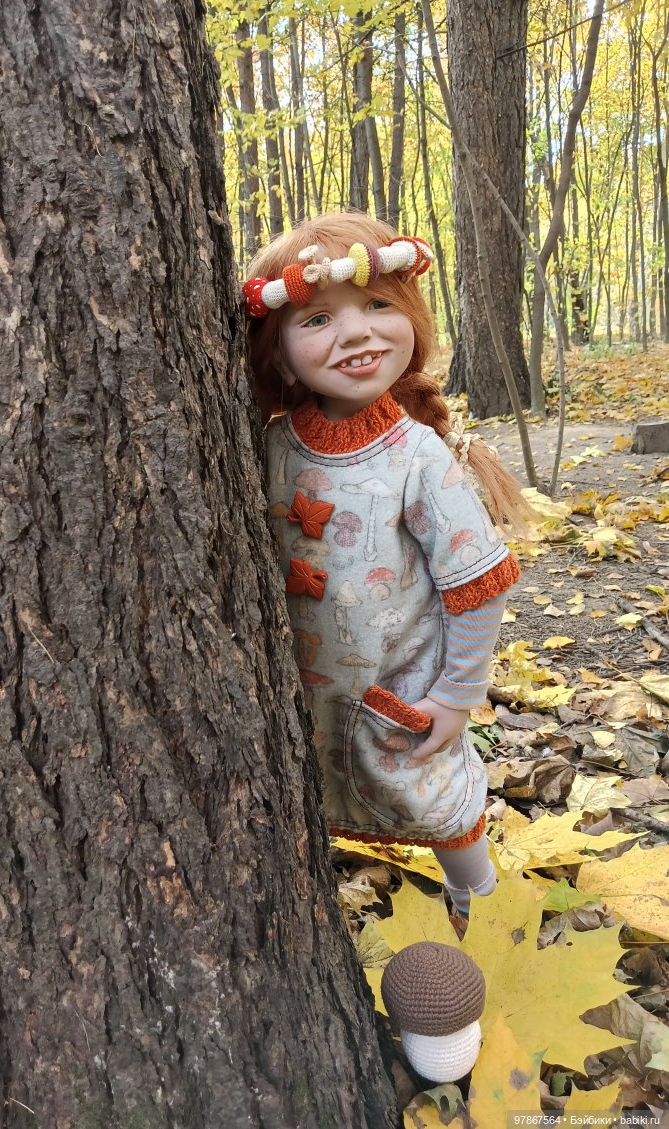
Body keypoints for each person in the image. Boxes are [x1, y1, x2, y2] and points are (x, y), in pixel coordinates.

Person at [244, 213, 528, 919]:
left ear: (411, 317)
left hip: (399, 684)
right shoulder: (272, 445)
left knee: (436, 802)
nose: (357, 333)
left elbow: (477, 584)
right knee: (310, 788)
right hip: (302, 689)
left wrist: (457, 693)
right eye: (318, 320)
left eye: (378, 306)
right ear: (279, 354)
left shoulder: (419, 458)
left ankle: (484, 904)